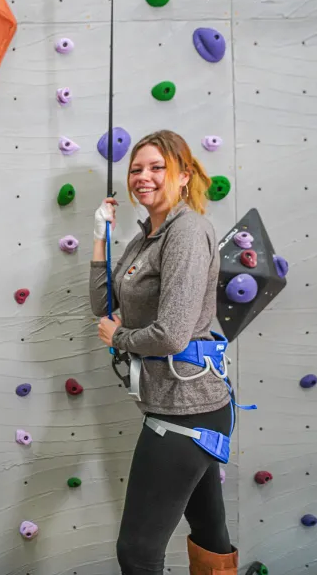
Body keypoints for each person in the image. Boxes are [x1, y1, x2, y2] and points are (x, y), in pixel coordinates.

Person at [88, 130, 238, 575]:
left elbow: (171, 334)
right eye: (136, 169)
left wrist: (119, 339)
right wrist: (102, 236)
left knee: (137, 550)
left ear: (184, 175)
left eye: (157, 168)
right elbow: (103, 305)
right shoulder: (144, 238)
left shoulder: (188, 232)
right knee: (210, 533)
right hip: (174, 402)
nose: (144, 177)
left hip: (188, 409)